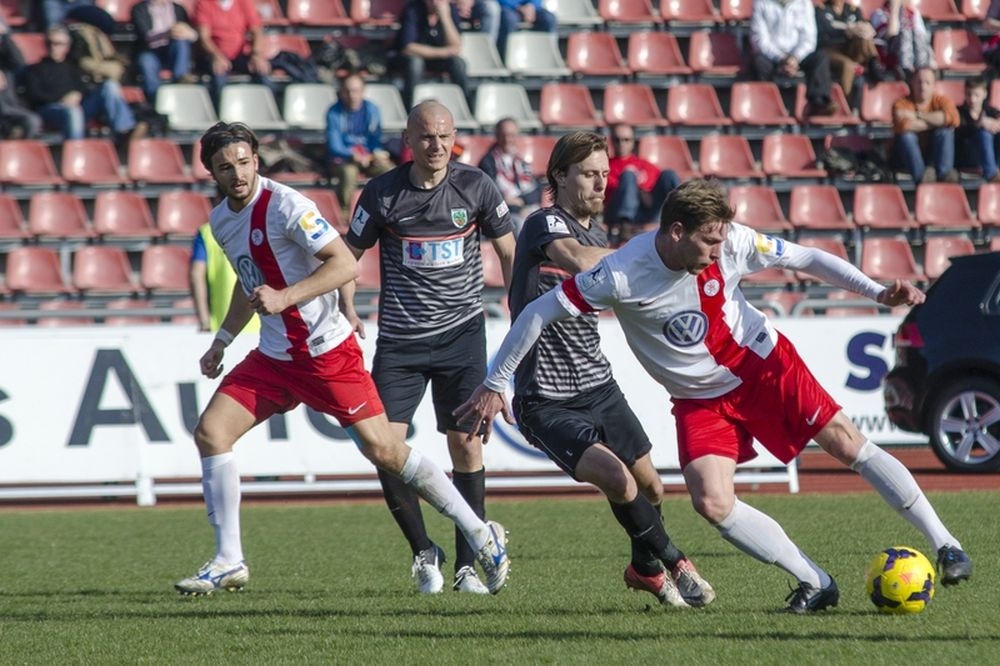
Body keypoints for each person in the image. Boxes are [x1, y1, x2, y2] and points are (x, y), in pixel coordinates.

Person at [456, 178, 973, 613]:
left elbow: (807, 258)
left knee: (844, 442)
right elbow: (538, 311)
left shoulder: (734, 241)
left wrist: (876, 292)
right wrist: (496, 381)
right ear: (676, 232)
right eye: (708, 242)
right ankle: (815, 582)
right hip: (698, 399)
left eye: (722, 239)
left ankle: (946, 544)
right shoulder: (621, 272)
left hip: (760, 366)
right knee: (712, 502)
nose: (718, 251)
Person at [174, 121, 510, 596]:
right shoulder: (221, 221)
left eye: (244, 163)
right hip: (275, 357)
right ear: (211, 171)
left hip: (326, 353)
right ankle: (229, 560)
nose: (238, 174)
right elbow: (250, 284)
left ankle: (480, 534)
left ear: (256, 160)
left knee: (386, 452)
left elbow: (345, 263)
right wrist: (223, 340)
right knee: (211, 433)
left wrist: (286, 297)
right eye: (226, 167)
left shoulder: (287, 206)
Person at [500, 130, 715, 608]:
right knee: (618, 479)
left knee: (652, 485)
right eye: (589, 174)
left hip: (599, 385)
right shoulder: (543, 224)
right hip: (546, 397)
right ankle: (678, 563)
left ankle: (644, 570)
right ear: (560, 175)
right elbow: (578, 261)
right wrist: (652, 252)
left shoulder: (598, 234)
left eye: (604, 174)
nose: (601, 184)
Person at [344, 101, 516, 595]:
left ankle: (466, 566)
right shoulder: (381, 193)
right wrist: (347, 307)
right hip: (401, 342)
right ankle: (424, 551)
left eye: (444, 136)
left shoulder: (477, 186)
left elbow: (509, 249)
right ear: (408, 140)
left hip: (462, 336)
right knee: (383, 448)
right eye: (426, 136)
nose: (436, 145)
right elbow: (347, 256)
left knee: (466, 445)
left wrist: (519, 308)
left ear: (454, 137)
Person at [23, 25, 143, 142]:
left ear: (67, 47)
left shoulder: (72, 67)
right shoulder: (34, 69)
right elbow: (34, 95)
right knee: (73, 112)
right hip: (51, 109)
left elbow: (83, 87)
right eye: (50, 43)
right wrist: (62, 100)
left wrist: (77, 94)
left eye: (58, 44)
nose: (53, 47)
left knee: (109, 86)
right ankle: (76, 148)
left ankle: (124, 132)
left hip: (77, 107)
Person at [750, 0, 836, 116]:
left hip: (798, 56)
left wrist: (795, 58)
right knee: (758, 63)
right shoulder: (761, 3)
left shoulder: (804, 3)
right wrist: (780, 58)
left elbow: (809, 39)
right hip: (772, 56)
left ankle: (819, 103)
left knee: (820, 58)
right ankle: (767, 106)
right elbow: (759, 40)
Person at [325, 73, 395, 209]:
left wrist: (376, 155)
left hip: (368, 158)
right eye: (347, 91)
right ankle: (345, 213)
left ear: (363, 91)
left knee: (390, 171)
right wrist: (352, 155)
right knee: (349, 173)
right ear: (341, 92)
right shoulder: (333, 112)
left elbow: (376, 140)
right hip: (344, 160)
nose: (351, 95)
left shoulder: (372, 110)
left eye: (355, 91)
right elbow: (334, 146)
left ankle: (390, 209)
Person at [604, 123, 680, 248]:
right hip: (618, 214)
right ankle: (625, 228)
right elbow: (608, 193)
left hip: (647, 211)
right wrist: (637, 188)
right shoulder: (606, 166)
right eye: (617, 140)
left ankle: (684, 215)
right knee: (628, 175)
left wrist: (642, 190)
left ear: (633, 141)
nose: (622, 143)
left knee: (669, 174)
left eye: (626, 139)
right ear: (612, 141)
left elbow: (658, 189)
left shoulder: (644, 164)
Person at [191, 0, 272, 104]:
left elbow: (256, 31)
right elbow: (204, 38)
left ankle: (267, 107)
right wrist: (217, 56)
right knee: (219, 74)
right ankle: (219, 108)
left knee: (260, 71)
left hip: (239, 55)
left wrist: (256, 55)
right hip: (213, 55)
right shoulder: (204, 3)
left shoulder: (243, 2)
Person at [393, 0, 469, 109]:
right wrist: (443, 52)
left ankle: (465, 106)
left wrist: (445, 18)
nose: (435, 2)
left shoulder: (451, 11)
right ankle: (409, 109)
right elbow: (408, 47)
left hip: (437, 60)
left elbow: (456, 45)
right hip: (413, 60)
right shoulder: (413, 10)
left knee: (458, 63)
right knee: (415, 63)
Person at [890, 66, 959, 184]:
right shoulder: (901, 103)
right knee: (907, 137)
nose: (923, 87)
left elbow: (954, 119)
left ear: (934, 85)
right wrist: (936, 122)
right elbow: (905, 125)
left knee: (945, 132)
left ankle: (945, 176)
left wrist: (917, 115)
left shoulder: (942, 101)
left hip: (932, 152)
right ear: (912, 83)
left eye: (927, 83)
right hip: (905, 157)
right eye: (919, 82)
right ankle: (922, 179)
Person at [189, 221, 261, 334]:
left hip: (224, 325)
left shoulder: (207, 231)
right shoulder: (260, 225)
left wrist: (204, 321)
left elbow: (196, 274)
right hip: (260, 323)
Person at [477, 117, 541, 237]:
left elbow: (536, 191)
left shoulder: (521, 161)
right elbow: (492, 196)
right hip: (505, 212)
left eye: (511, 135)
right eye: (503, 135)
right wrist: (517, 208)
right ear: (497, 136)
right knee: (522, 224)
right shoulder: (488, 162)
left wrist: (521, 201)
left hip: (526, 207)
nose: (507, 139)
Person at [131, 0, 198, 102]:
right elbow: (144, 35)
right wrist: (168, 33)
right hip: (151, 50)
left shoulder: (179, 9)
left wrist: (189, 33)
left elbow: (192, 34)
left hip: (172, 50)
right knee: (146, 62)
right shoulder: (139, 9)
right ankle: (155, 99)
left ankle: (181, 81)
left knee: (181, 42)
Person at [815, 0, 883, 99]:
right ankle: (846, 101)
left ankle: (873, 62)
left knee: (865, 35)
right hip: (830, 49)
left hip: (850, 48)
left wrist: (863, 29)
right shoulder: (821, 10)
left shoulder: (853, 10)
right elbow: (824, 32)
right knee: (848, 65)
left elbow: (863, 25)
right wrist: (847, 31)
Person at [870, 0, 935, 83]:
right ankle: (907, 72)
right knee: (905, 34)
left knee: (918, 36)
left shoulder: (912, 13)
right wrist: (895, 9)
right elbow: (890, 34)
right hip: (891, 53)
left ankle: (923, 71)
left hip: (915, 55)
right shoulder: (879, 13)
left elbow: (922, 37)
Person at [0, 18, 42, 139]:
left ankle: (18, 148)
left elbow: (18, 62)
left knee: (31, 121)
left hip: (8, 108)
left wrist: (5, 36)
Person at [955, 76, 1000, 183]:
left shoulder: (990, 111)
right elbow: (961, 131)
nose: (972, 99)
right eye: (969, 94)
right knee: (984, 135)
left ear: (984, 94)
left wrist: (996, 124)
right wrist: (980, 124)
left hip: (990, 155)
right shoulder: (959, 112)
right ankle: (992, 175)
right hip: (968, 156)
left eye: (976, 95)